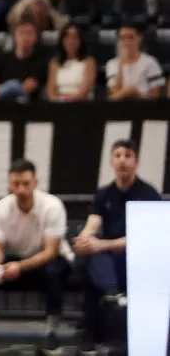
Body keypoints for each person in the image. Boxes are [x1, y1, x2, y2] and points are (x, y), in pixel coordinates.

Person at [73, 139, 162, 351]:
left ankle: (115, 303)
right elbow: (93, 224)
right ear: (112, 161)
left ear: (136, 162)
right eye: (118, 155)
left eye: (128, 155)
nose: (122, 160)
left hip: (138, 256)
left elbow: (143, 239)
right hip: (109, 255)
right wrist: (84, 240)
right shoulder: (104, 194)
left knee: (101, 254)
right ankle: (103, 315)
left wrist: (101, 245)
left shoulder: (149, 194)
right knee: (90, 258)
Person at [0, 159, 71, 353]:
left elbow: (51, 251)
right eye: (16, 184)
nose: (21, 189)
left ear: (35, 183)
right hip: (17, 258)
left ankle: (52, 332)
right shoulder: (2, 208)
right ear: (10, 185)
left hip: (51, 259)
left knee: (53, 273)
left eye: (25, 184)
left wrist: (20, 266)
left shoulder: (52, 206)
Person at [0, 19, 48, 102]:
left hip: (26, 105)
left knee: (14, 86)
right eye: (21, 33)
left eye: (29, 33)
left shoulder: (41, 60)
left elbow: (29, 86)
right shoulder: (2, 58)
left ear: (35, 38)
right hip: (1, 104)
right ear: (15, 36)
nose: (25, 38)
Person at [106, 22, 164, 101]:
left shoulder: (150, 62)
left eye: (131, 37)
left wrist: (136, 94)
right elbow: (113, 95)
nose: (127, 41)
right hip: (120, 108)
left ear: (139, 38)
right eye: (122, 38)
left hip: (144, 107)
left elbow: (155, 97)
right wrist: (121, 64)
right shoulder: (112, 64)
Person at [46, 22, 96, 101]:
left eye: (75, 37)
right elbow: (50, 91)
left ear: (80, 40)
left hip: (81, 104)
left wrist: (69, 99)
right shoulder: (54, 63)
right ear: (62, 41)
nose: (71, 41)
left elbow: (84, 91)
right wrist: (59, 100)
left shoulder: (89, 61)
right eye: (67, 37)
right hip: (59, 104)